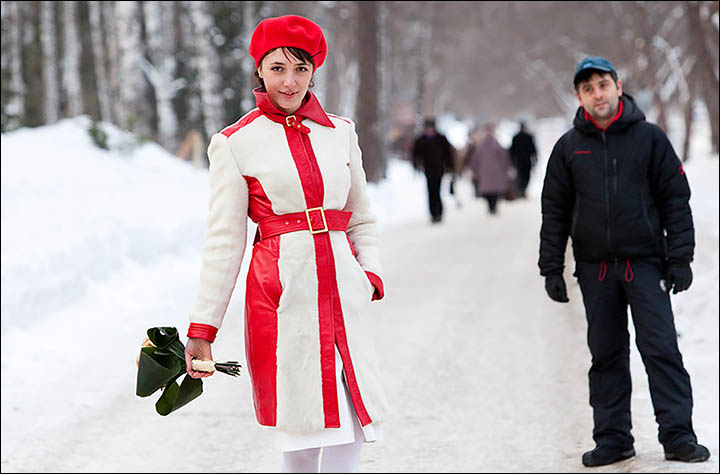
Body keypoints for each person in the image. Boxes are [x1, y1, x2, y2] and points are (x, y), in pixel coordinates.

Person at [182, 15, 388, 473]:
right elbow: (224, 241)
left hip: (342, 294)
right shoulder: (235, 142)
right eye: (277, 68)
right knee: (299, 425)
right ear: (260, 70)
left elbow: (361, 216)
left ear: (315, 69)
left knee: (350, 416)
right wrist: (203, 329)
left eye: (300, 67)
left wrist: (368, 272)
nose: (289, 81)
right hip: (282, 298)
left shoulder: (342, 132)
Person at [538, 56, 710, 467]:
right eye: (588, 88)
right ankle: (614, 438)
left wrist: (680, 257)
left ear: (617, 86)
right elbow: (555, 211)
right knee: (606, 354)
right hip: (596, 270)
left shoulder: (649, 138)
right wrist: (551, 268)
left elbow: (675, 199)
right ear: (579, 97)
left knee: (661, 349)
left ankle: (678, 435)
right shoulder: (568, 148)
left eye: (602, 84)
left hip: (645, 264)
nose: (597, 93)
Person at [411, 118, 455, 223]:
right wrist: (416, 165)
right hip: (428, 170)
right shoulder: (421, 140)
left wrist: (449, 166)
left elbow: (448, 154)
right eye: (428, 128)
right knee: (431, 192)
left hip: (439, 170)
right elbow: (416, 154)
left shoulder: (441, 139)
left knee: (438, 191)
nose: (429, 130)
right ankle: (433, 214)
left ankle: (439, 213)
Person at [466, 122, 513, 215]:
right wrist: (506, 168)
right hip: (496, 171)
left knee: (487, 191)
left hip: (484, 171)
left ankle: (491, 207)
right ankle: (493, 207)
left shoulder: (480, 145)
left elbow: (475, 158)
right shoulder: (497, 144)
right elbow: (504, 156)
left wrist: (473, 168)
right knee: (494, 191)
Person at [509, 121, 537, 198]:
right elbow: (533, 149)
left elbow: (512, 150)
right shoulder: (528, 137)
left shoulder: (516, 137)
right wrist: (535, 159)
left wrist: (512, 160)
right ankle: (522, 190)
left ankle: (521, 190)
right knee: (526, 176)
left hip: (519, 161)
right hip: (526, 160)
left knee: (520, 176)